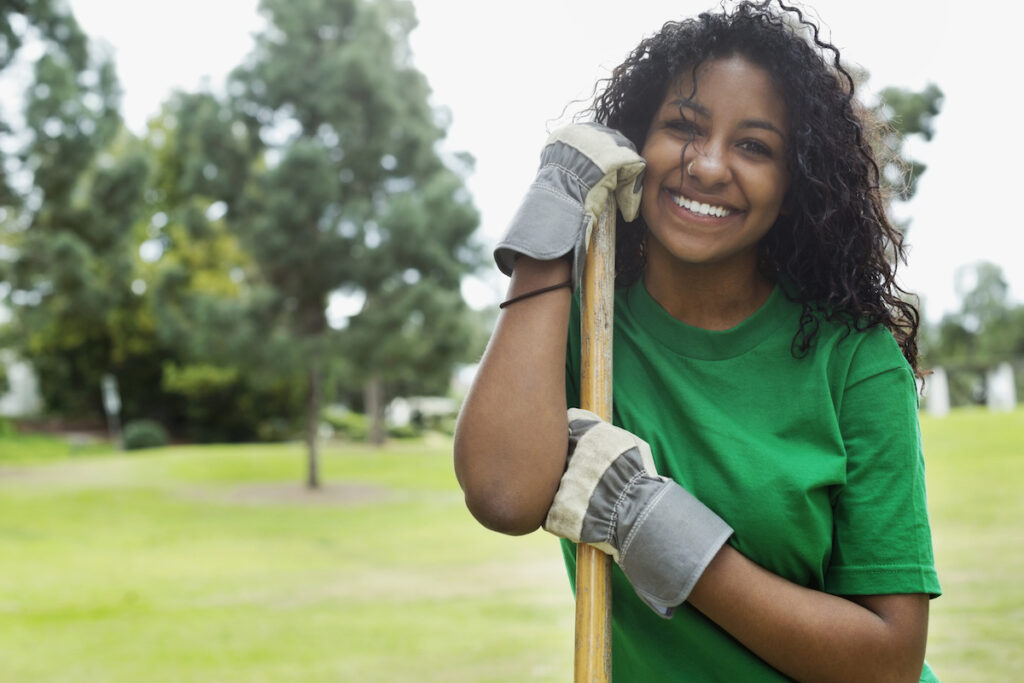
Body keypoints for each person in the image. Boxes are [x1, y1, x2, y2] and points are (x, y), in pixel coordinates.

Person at [453, 1, 941, 680]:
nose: (709, 166)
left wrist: (653, 528)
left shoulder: (853, 357)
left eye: (754, 146)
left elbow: (889, 660)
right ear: (634, 145)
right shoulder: (584, 335)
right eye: (684, 126)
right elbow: (503, 495)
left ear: (794, 181)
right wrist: (554, 211)